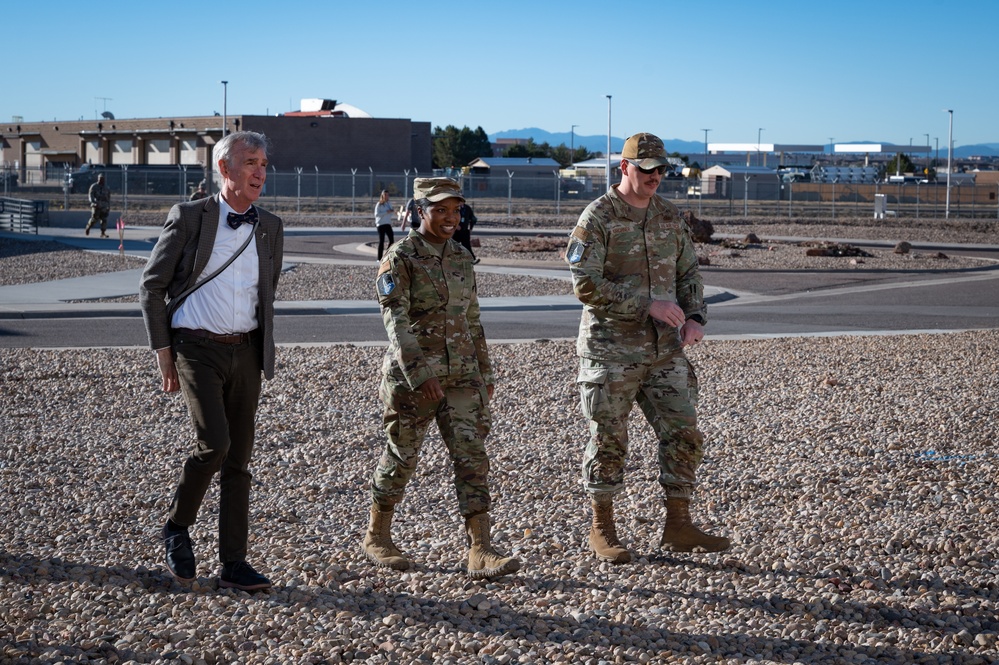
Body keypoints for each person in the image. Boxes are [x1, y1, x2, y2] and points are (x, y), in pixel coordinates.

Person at [565, 132, 730, 564]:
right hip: (611, 351)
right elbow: (585, 285)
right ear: (625, 168)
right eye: (647, 170)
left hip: (665, 352)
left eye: (661, 170)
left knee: (684, 433)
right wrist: (647, 305)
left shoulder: (669, 216)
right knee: (608, 439)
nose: (656, 177)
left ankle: (678, 525)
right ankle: (602, 529)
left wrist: (695, 317)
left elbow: (689, 271)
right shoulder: (598, 216)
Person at [139, 131, 285, 591]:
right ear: (224, 169)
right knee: (215, 444)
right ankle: (177, 527)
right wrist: (164, 354)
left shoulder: (271, 226)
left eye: (263, 163)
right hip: (195, 349)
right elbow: (152, 286)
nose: (260, 172)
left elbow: (267, 291)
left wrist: (257, 349)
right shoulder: (189, 217)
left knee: (239, 461)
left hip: (246, 351)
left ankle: (234, 564)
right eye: (250, 163)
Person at [364, 176, 520, 579]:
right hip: (414, 380)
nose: (450, 218)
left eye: (455, 210)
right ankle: (377, 536)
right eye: (440, 210)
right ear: (420, 211)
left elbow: (473, 319)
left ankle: (480, 549)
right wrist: (420, 373)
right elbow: (395, 322)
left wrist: (485, 372)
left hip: (462, 375)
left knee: (472, 455)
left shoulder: (460, 257)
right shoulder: (401, 258)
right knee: (403, 455)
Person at [85, 173, 112, 237]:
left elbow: (108, 197)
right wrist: (93, 202)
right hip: (96, 206)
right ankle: (88, 227)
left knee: (104, 219)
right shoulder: (94, 186)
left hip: (104, 206)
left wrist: (108, 206)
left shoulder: (106, 187)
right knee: (94, 219)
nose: (101, 180)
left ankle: (103, 233)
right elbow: (90, 196)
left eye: (102, 179)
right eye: (100, 179)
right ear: (98, 179)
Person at [374, 190, 395, 261]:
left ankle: (387, 255)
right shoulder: (379, 204)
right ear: (382, 196)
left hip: (387, 223)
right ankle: (379, 258)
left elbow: (391, 213)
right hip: (380, 224)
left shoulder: (389, 203)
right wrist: (386, 212)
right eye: (385, 195)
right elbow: (377, 214)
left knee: (391, 240)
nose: (387, 196)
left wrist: (391, 211)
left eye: (388, 195)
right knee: (381, 241)